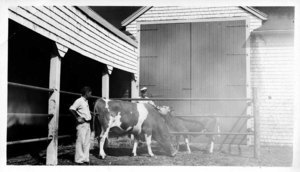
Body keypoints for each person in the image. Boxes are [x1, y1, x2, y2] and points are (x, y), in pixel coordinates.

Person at [69, 86, 92, 165]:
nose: (90, 94)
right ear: (86, 93)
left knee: (87, 142)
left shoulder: (86, 101)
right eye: (89, 92)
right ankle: (79, 160)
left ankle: (85, 158)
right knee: (80, 141)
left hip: (87, 124)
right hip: (82, 124)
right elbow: (72, 109)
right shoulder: (79, 100)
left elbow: (84, 111)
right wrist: (77, 117)